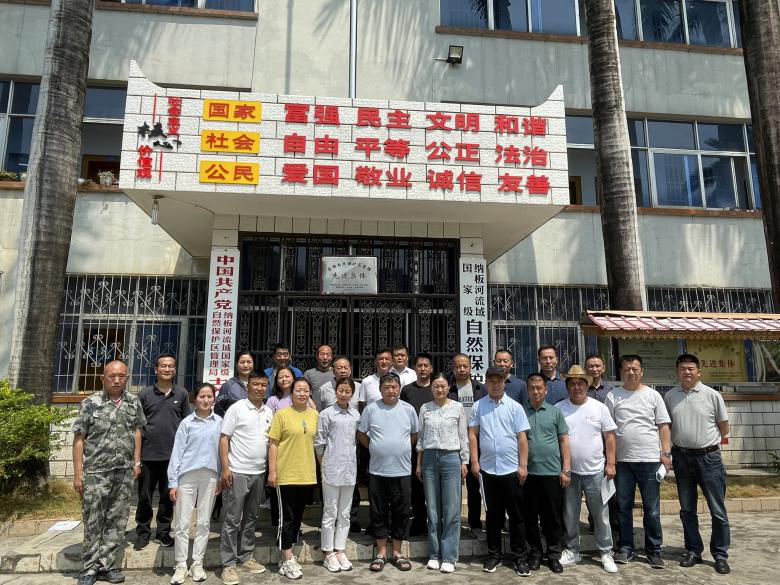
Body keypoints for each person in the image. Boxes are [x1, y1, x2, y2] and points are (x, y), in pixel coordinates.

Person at [72, 361, 146, 585]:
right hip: (96, 472)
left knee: (117, 519)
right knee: (93, 520)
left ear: (127, 378)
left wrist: (137, 462)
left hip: (123, 472)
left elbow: (137, 431)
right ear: (103, 378)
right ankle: (89, 568)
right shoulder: (90, 403)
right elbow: (79, 439)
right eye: (112, 376)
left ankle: (108, 565)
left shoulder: (133, 402)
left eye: (121, 376)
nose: (116, 379)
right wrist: (78, 473)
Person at [665, 354, 731, 575]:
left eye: (691, 368)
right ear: (677, 372)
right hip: (681, 458)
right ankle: (693, 550)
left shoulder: (712, 395)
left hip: (709, 458)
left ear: (699, 371)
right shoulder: (670, 396)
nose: (687, 372)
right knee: (687, 509)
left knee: (717, 510)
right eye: (683, 369)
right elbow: (667, 427)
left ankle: (720, 555)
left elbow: (724, 427)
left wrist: (706, 442)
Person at [605, 355, 672, 568]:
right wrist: (611, 460)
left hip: (650, 460)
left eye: (635, 369)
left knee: (651, 509)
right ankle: (626, 548)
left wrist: (666, 453)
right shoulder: (613, 396)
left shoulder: (653, 395)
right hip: (623, 462)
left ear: (641, 371)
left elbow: (663, 426)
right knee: (623, 507)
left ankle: (654, 550)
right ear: (621, 372)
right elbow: (608, 430)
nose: (631, 372)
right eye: (627, 369)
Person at [468, 366, 532, 577]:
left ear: (505, 382)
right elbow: (473, 435)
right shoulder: (478, 406)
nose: (495, 385)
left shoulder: (515, 407)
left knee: (516, 517)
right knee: (493, 516)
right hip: (487, 470)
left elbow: (522, 438)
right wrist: (474, 462)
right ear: (486, 383)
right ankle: (494, 555)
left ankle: (519, 557)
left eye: (499, 381)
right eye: (491, 381)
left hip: (512, 470)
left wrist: (523, 466)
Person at [557, 365, 618, 574]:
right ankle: (572, 549)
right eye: (572, 384)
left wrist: (611, 463)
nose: (576, 387)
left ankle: (606, 552)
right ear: (567, 387)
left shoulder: (599, 408)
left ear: (587, 385)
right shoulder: (559, 408)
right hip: (569, 472)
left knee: (601, 514)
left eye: (580, 384)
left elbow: (610, 437)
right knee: (570, 514)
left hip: (596, 471)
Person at [357, 373, 418, 572]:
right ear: (380, 389)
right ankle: (382, 552)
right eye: (386, 387)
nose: (391, 390)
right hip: (378, 471)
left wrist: (400, 448)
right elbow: (361, 433)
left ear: (399, 388)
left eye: (394, 387)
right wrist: (375, 447)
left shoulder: (408, 409)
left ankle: (397, 552)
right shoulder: (371, 409)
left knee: (402, 511)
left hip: (402, 470)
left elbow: (414, 435)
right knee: (378, 512)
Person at [219, 372, 273, 585]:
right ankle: (228, 563)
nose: (259, 388)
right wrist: (225, 468)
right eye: (256, 384)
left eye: (263, 385)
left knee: (251, 517)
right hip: (237, 471)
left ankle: (245, 556)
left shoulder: (268, 411)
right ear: (248, 386)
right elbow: (224, 438)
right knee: (232, 519)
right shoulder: (237, 408)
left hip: (259, 472)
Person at [135, 353, 191, 550]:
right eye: (163, 366)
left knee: (168, 496)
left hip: (172, 457)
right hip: (148, 455)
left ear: (175, 370)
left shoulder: (181, 394)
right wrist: (136, 458)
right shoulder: (144, 395)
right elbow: (137, 427)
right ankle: (142, 532)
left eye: (171, 366)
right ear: (156, 369)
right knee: (144, 496)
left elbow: (187, 424)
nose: (167, 369)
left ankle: (163, 532)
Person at [168, 383, 222, 584]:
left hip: (210, 477)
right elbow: (177, 453)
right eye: (202, 396)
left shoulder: (220, 422)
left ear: (214, 399)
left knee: (204, 522)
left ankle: (197, 563)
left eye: (209, 396)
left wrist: (220, 477)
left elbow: (222, 452)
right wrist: (173, 482)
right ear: (195, 399)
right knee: (182, 523)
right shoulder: (187, 423)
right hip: (187, 476)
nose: (205, 400)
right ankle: (181, 564)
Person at [268, 377, 320, 580]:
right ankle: (287, 558)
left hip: (306, 474)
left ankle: (287, 554)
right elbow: (273, 444)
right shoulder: (282, 414)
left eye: (306, 390)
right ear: (291, 393)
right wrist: (272, 472)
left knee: (298, 516)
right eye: (298, 390)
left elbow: (318, 444)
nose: (302, 393)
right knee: (286, 518)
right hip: (286, 474)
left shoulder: (315, 415)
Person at [417, 372, 469, 573]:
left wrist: (464, 461)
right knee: (432, 509)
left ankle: (449, 556)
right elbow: (421, 438)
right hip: (429, 459)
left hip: (451, 458)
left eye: (443, 386)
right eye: (436, 386)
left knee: (452, 510)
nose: (439, 389)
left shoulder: (457, 408)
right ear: (431, 388)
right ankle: (434, 554)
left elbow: (463, 436)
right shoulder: (425, 408)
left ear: (449, 387)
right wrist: (419, 463)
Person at [522, 373, 570, 574]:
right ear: (527, 390)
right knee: (530, 517)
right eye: (532, 388)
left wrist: (566, 469)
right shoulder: (521, 412)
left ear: (546, 390)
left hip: (552, 473)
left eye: (539, 388)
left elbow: (564, 441)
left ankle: (553, 555)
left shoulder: (555, 412)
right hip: (528, 474)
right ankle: (535, 553)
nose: (536, 391)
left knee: (553, 518)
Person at [314, 376, 360, 573]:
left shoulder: (356, 415)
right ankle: (328, 552)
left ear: (352, 393)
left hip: (349, 469)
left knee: (344, 513)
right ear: (335, 391)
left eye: (347, 391)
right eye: (341, 390)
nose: (344, 394)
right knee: (330, 512)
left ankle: (340, 549)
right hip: (331, 469)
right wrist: (323, 465)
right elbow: (319, 442)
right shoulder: (326, 414)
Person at [448, 353, 487, 541]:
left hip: (476, 444)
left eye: (465, 366)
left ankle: (475, 525)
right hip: (452, 444)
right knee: (451, 489)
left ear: (471, 367)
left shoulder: (481, 389)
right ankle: (451, 525)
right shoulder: (448, 389)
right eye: (458, 366)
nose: (462, 369)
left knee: (474, 487)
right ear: (453, 368)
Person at [584, 353, 618, 534]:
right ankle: (594, 521)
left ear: (603, 368)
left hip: (609, 445)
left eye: (597, 366)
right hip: (590, 447)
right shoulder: (582, 390)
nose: (594, 369)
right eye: (590, 366)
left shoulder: (612, 391)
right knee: (592, 489)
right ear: (586, 369)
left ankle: (613, 522)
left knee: (611, 486)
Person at [400, 352, 434, 536]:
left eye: (426, 365)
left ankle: (435, 522)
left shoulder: (437, 387)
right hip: (412, 444)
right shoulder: (407, 390)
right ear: (415, 369)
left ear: (431, 368)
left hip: (434, 444)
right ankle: (419, 522)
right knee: (416, 485)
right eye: (419, 365)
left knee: (433, 486)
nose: (423, 369)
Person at [214, 351, 255, 417]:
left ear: (253, 364)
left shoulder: (261, 384)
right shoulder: (228, 385)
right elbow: (219, 409)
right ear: (236, 364)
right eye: (242, 362)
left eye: (249, 362)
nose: (245, 365)